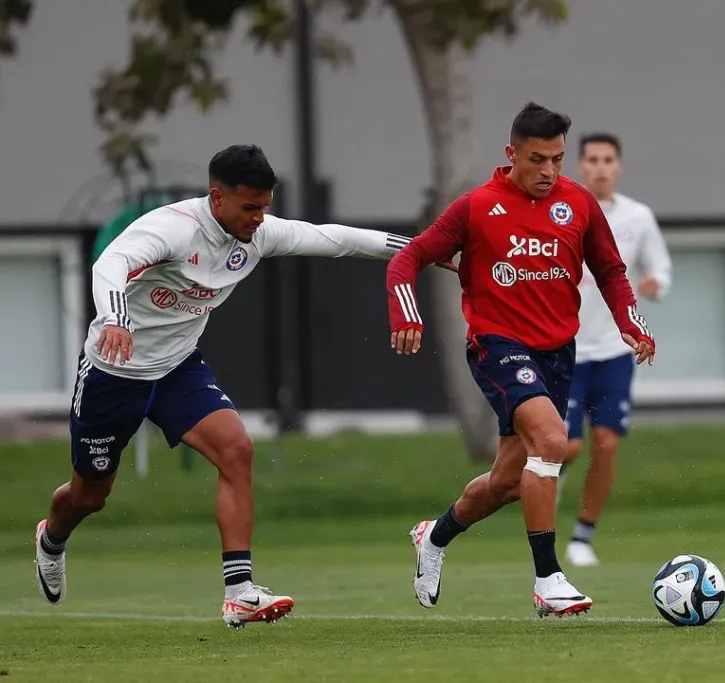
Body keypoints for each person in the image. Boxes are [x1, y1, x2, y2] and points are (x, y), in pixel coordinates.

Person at [34, 144, 445, 628]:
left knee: (236, 449)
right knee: (90, 495)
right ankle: (52, 539)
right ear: (217, 198)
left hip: (178, 369)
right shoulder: (172, 228)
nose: (259, 218)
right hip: (114, 372)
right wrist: (116, 319)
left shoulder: (257, 234)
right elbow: (110, 265)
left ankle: (239, 592)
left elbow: (331, 237)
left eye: (265, 207)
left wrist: (422, 251)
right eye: (250, 207)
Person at [385, 102, 656, 617]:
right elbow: (407, 258)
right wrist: (405, 313)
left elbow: (612, 271)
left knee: (509, 481)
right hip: (498, 345)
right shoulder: (475, 206)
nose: (549, 172)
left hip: (558, 353)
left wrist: (630, 322)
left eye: (557, 159)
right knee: (555, 440)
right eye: (537, 160)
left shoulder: (577, 203)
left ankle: (434, 536)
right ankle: (548, 579)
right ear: (511, 154)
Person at [559, 132, 672, 568]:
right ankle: (554, 484)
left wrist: (653, 285)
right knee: (565, 447)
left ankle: (583, 536)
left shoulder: (637, 217)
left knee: (605, 443)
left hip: (614, 349)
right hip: (565, 348)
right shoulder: (562, 211)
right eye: (592, 159)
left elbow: (660, 267)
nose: (601, 167)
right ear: (580, 166)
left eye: (609, 159)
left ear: (618, 166)